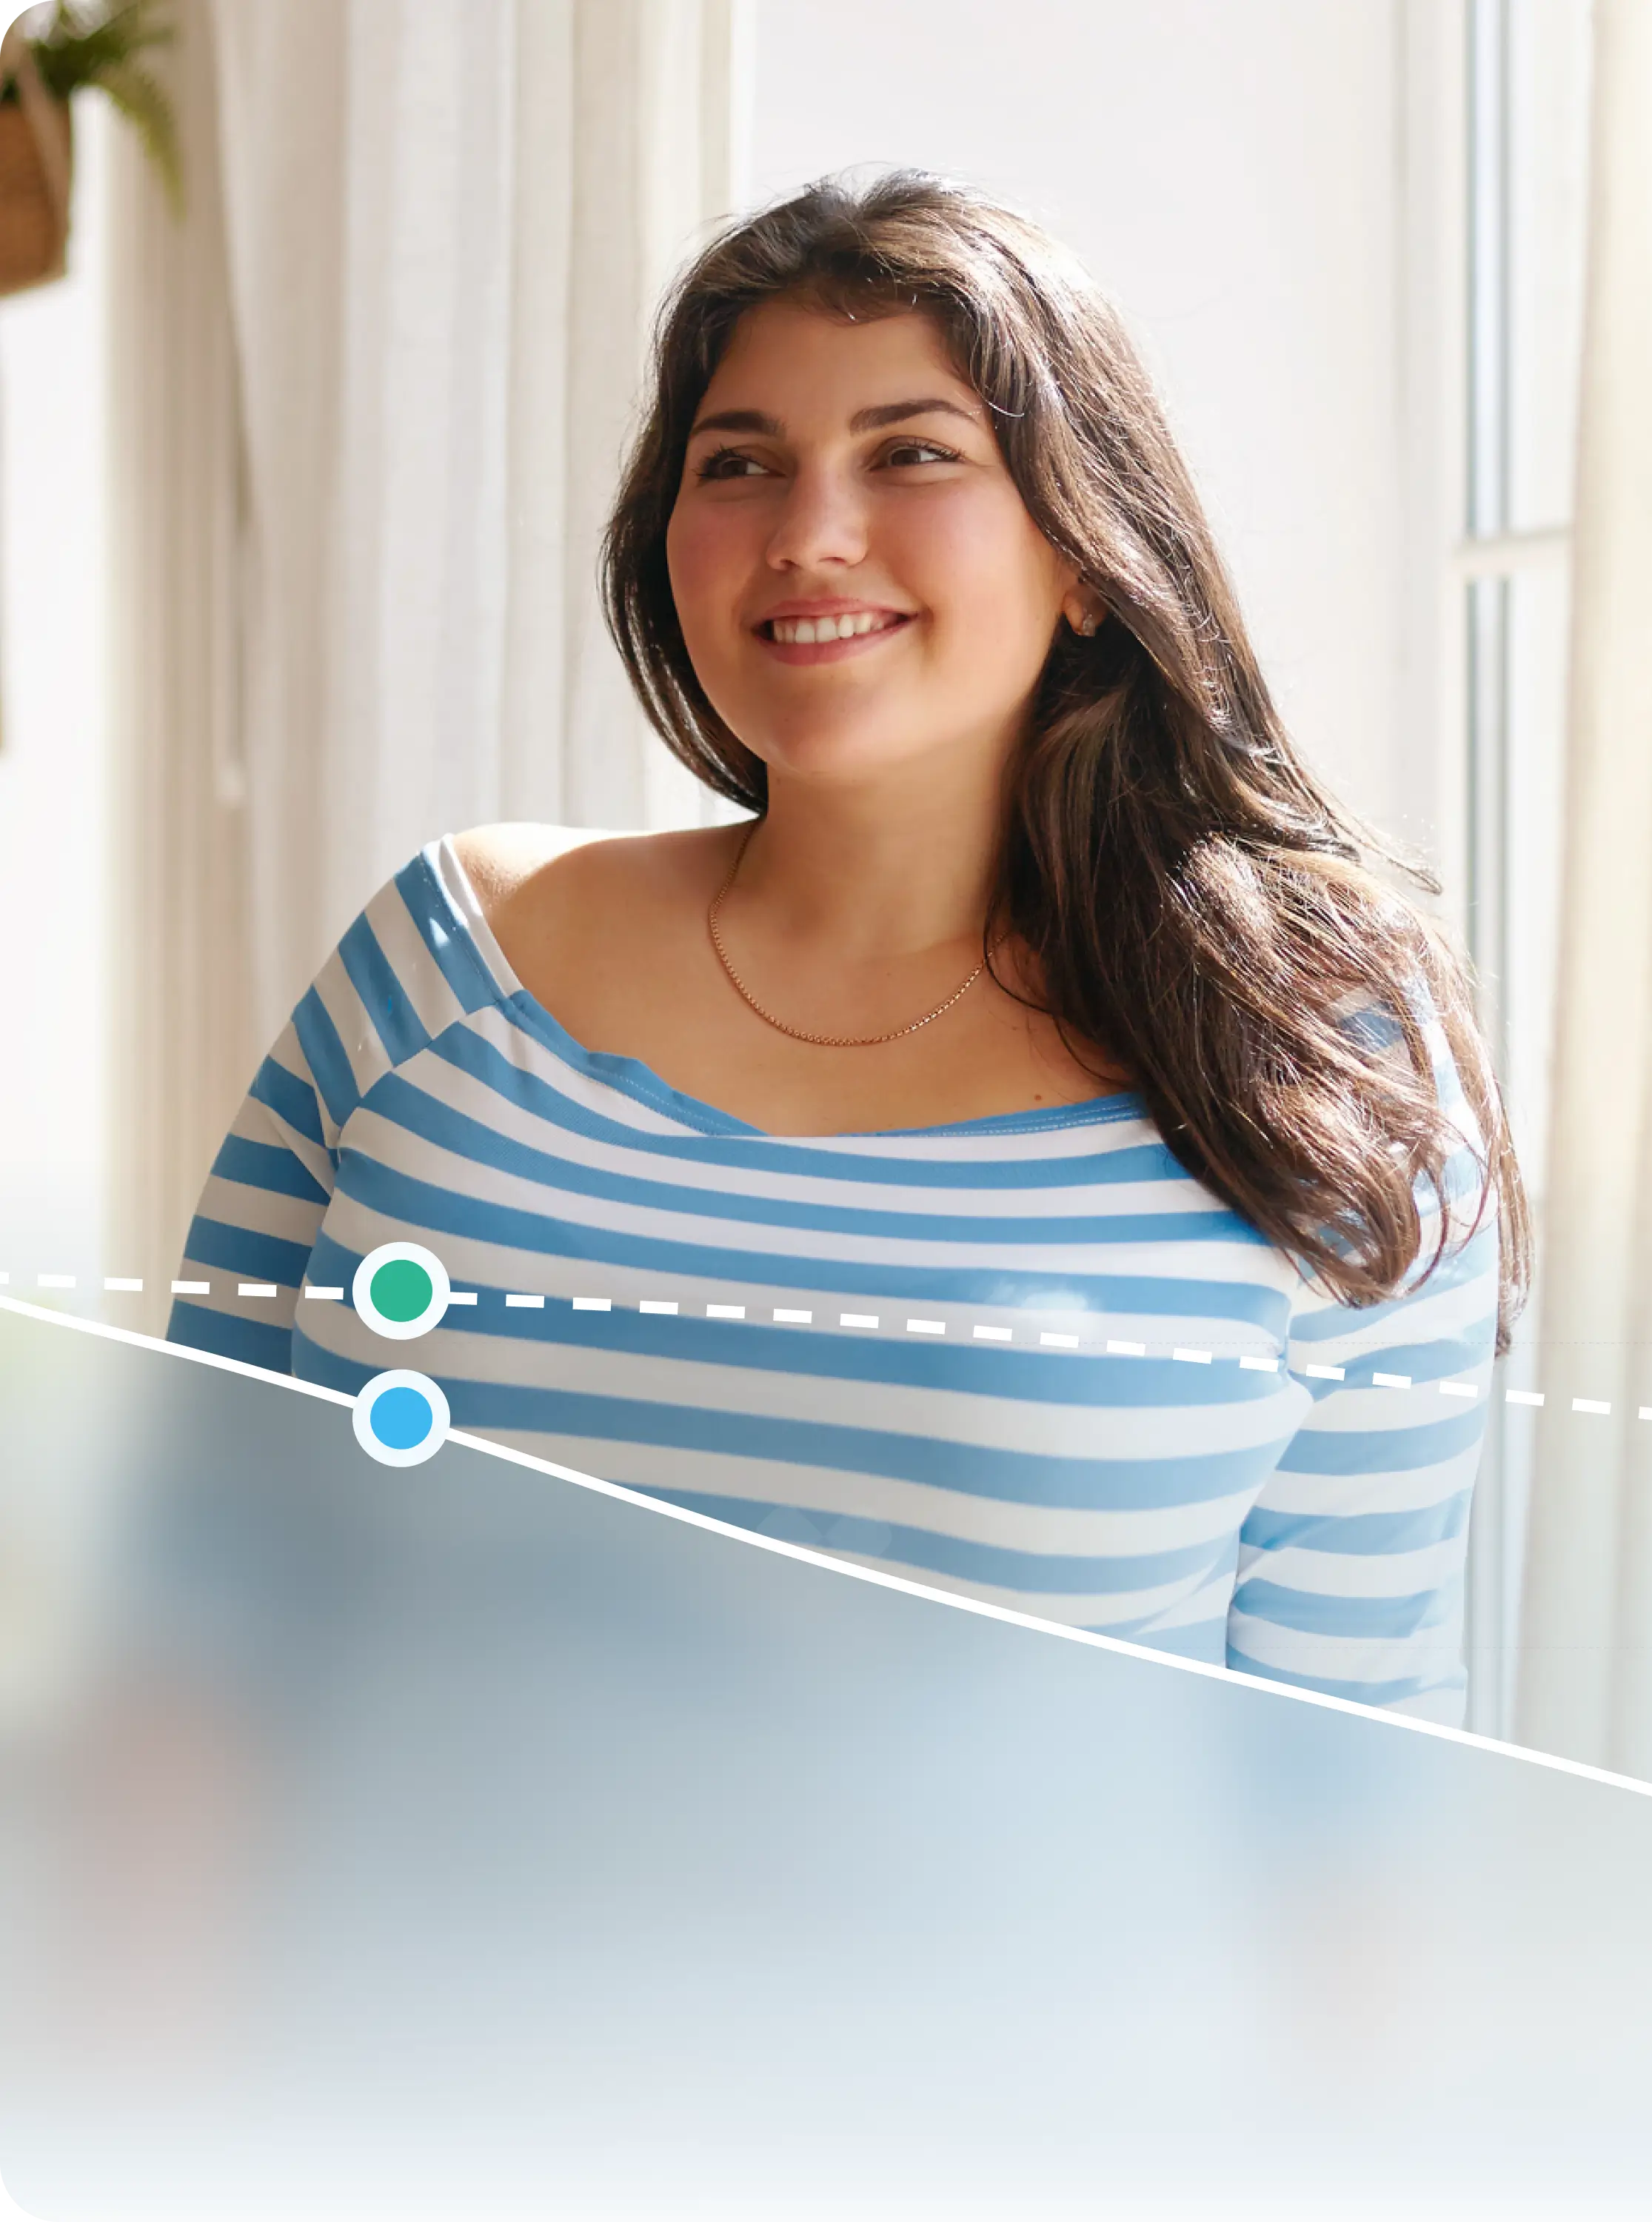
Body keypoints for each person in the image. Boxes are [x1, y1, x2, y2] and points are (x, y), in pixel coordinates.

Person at [168, 170, 1530, 1726]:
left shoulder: (1319, 1061)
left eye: (914, 455)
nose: (810, 533)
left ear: (1085, 553)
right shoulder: (440, 962)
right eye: (738, 462)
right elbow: (184, 1616)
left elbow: (1350, 1771)